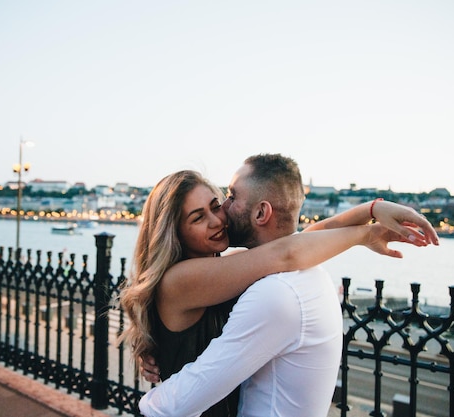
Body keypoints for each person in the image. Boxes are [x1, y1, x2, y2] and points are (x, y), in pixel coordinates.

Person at [137, 154, 438, 417]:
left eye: (217, 204)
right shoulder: (182, 279)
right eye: (198, 217)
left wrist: (371, 211)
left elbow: (296, 241)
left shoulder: (225, 268)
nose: (219, 218)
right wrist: (363, 232)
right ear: (174, 232)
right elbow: (285, 252)